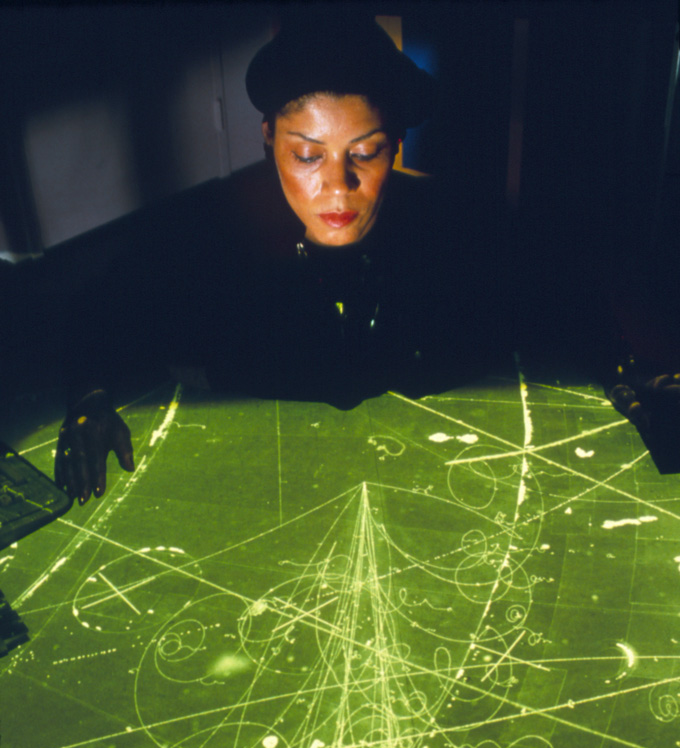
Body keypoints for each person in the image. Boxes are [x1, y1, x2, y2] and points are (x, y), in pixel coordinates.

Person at [54, 6, 680, 503]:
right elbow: (102, 315)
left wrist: (629, 367)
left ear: (398, 144)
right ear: (268, 136)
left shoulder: (466, 230)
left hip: (441, 491)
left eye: (367, 151)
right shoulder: (201, 238)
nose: (337, 186)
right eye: (307, 154)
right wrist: (88, 396)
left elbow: (562, 296)